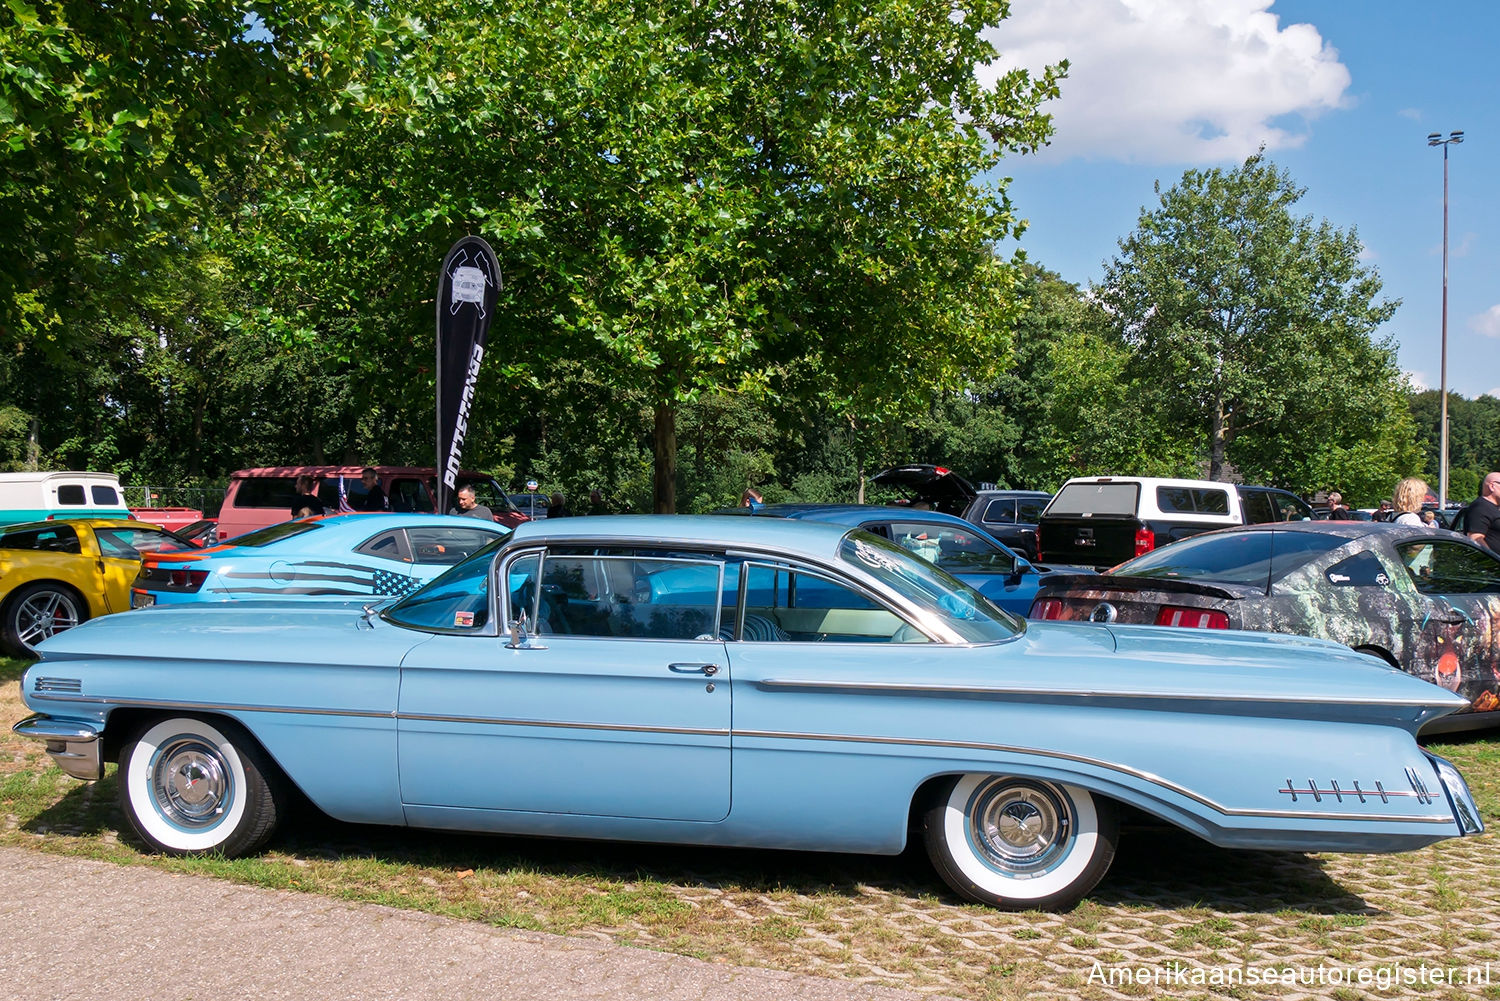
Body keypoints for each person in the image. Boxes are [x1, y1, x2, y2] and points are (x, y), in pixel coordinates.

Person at [1467, 471, 1500, 551]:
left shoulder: (1494, 508)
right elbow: (1475, 539)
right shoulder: (1480, 507)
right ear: (1492, 486)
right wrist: (1492, 561)